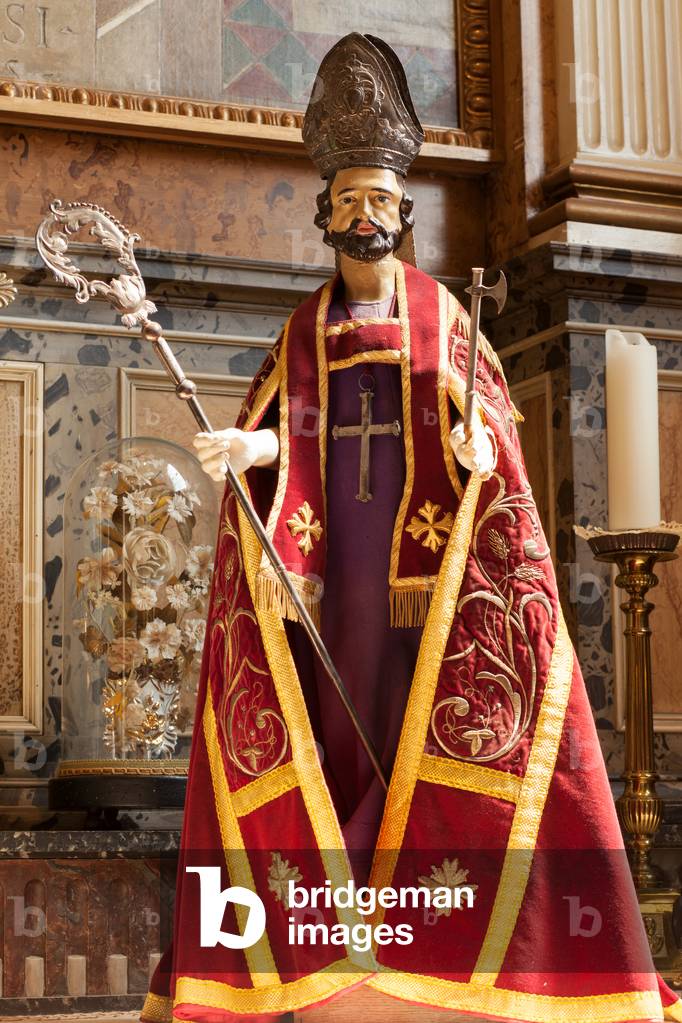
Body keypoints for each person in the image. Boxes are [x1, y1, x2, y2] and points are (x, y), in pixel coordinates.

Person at [142, 33, 682, 1023]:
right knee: (338, 746)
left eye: (379, 202)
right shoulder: (303, 332)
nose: (362, 217)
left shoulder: (446, 320)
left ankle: (444, 942)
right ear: (324, 215)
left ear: (403, 215)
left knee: (411, 733)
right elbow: (288, 423)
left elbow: (490, 438)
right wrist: (253, 456)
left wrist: (480, 456)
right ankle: (338, 939)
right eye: (346, 201)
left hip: (428, 590)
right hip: (334, 579)